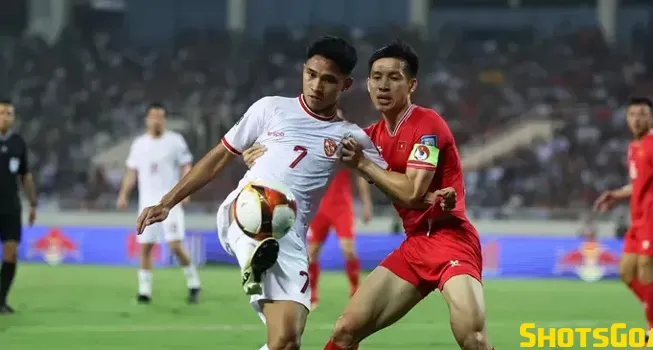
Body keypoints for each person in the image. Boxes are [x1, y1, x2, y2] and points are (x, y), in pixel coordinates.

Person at [135, 36, 395, 350]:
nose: (316, 85)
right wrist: (167, 202)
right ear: (303, 70)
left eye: (328, 80)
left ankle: (260, 259)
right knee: (268, 204)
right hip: (248, 205)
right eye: (311, 74)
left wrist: (365, 164)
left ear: (346, 84)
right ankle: (256, 254)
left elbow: (396, 183)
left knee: (286, 341)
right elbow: (219, 156)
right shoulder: (270, 108)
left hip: (291, 237)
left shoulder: (349, 137)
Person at [241, 41, 492, 350]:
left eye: (393, 77)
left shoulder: (427, 125)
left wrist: (361, 162)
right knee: (345, 331)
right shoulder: (370, 137)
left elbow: (412, 191)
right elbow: (307, 156)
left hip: (452, 240)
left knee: (472, 338)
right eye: (376, 77)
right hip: (415, 245)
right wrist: (262, 157)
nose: (383, 85)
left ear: (411, 84)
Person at [243, 146, 373, 310]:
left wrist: (366, 203)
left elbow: (359, 172)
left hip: (342, 207)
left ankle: (355, 290)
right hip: (319, 207)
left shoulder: (343, 144)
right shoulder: (312, 145)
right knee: (311, 253)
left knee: (349, 250)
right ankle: (313, 294)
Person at [594, 97, 653, 340]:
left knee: (644, 273)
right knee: (625, 273)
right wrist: (616, 194)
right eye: (632, 114)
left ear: (651, 117)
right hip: (637, 220)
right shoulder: (634, 147)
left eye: (642, 114)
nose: (636, 119)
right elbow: (639, 183)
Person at [117, 103, 201, 304]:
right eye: (153, 116)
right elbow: (131, 172)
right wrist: (123, 194)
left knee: (174, 245)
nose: (156, 120)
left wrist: (185, 191)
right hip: (146, 202)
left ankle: (193, 283)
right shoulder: (139, 144)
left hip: (170, 202)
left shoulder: (175, 141)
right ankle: (144, 291)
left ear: (165, 119)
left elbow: (186, 165)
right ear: (147, 119)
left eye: (160, 116)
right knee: (145, 247)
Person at [0, 100, 37, 314]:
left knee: (11, 254)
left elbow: (25, 175)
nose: (5, 116)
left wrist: (32, 203)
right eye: (2, 112)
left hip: (11, 207)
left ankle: (1, 299)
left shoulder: (18, 143)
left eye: (9, 113)